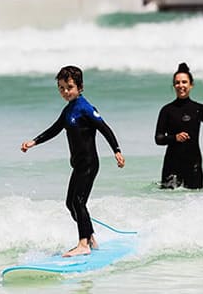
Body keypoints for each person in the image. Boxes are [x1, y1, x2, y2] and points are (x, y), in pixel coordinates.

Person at [21, 65, 125, 257]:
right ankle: (90, 238)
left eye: (69, 87)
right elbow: (54, 129)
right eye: (61, 88)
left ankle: (83, 244)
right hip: (78, 165)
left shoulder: (85, 108)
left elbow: (105, 128)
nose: (65, 91)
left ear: (79, 87)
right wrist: (34, 142)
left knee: (79, 202)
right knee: (70, 204)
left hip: (89, 164)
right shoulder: (68, 111)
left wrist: (116, 151)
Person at [155, 62, 203, 189]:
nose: (181, 86)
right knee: (168, 200)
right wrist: (175, 138)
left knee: (195, 200)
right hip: (172, 165)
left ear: (191, 85)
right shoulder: (166, 110)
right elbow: (158, 138)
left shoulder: (199, 109)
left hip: (193, 164)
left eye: (184, 82)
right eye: (177, 83)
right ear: (174, 86)